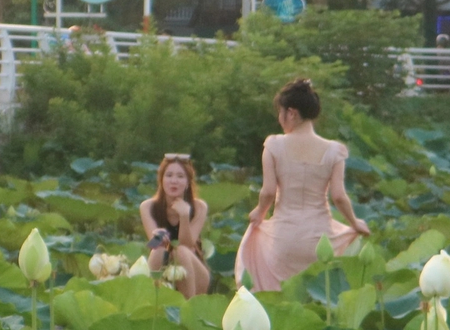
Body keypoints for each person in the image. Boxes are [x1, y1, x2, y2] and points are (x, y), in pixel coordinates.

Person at [234, 77, 371, 292]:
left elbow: (268, 191)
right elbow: (339, 196)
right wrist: (354, 223)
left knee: (279, 298)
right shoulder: (334, 150)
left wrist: (259, 213)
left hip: (284, 238)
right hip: (320, 238)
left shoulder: (274, 145)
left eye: (281, 113)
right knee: (316, 297)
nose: (280, 119)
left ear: (292, 113)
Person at [139, 154, 210, 298]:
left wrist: (184, 216)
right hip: (162, 263)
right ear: (161, 180)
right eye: (169, 175)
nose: (174, 181)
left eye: (180, 176)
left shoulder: (199, 207)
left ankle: (187, 309)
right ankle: (151, 301)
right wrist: (158, 237)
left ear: (188, 182)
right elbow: (153, 245)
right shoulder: (148, 207)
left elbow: (187, 244)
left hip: (195, 272)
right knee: (158, 250)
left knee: (181, 251)